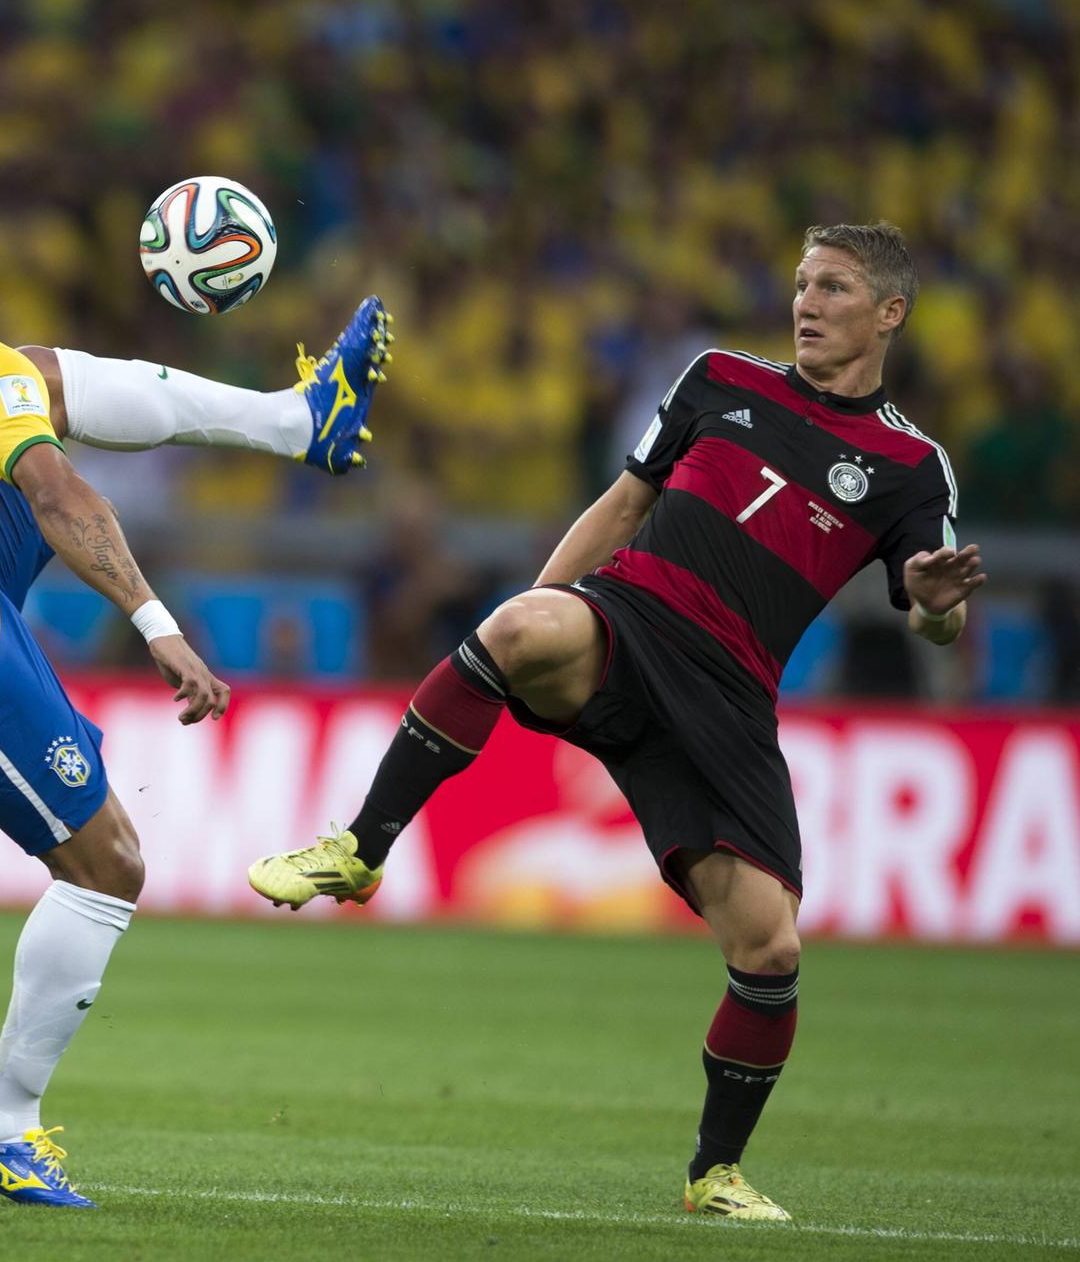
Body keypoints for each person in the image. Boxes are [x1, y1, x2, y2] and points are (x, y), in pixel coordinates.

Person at [248, 221, 986, 1222]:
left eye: (837, 287)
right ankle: (359, 848)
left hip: (728, 699)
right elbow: (624, 503)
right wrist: (532, 624)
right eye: (804, 281)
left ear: (890, 312)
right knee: (514, 626)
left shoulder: (910, 466)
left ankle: (714, 1174)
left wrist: (937, 602)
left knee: (769, 952)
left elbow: (936, 622)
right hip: (628, 625)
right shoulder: (720, 377)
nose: (809, 302)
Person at [0, 146, 389, 1209]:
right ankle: (1, 1122)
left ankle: (292, 420)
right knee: (109, 865)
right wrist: (157, 622)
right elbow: (63, 499)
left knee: (38, 375)